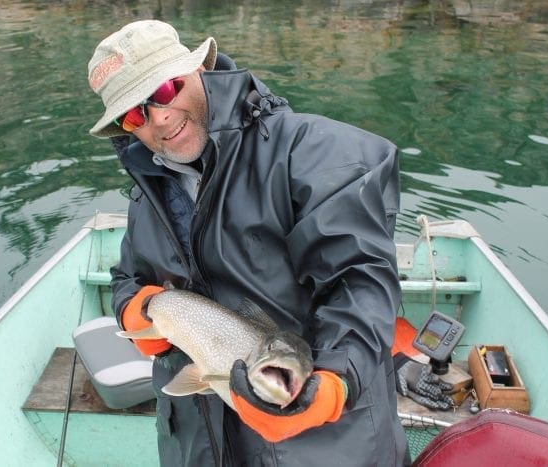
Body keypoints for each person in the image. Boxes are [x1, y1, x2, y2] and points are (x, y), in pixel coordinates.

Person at [87, 19, 410, 466]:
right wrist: (133, 308)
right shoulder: (149, 192)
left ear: (201, 67)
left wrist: (335, 382)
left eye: (164, 90)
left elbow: (361, 279)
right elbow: (129, 276)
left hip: (325, 447)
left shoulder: (315, 151)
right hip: (199, 443)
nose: (159, 117)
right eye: (135, 114)